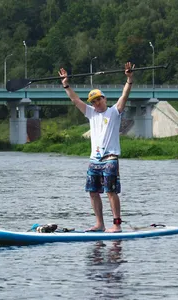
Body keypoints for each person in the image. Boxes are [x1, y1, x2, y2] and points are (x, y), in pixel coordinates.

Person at [58, 62, 135, 233]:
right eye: (93, 101)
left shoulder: (114, 112)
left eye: (99, 99)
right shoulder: (90, 113)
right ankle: (99, 224)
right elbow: (74, 99)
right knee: (93, 192)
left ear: (104, 99)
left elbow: (124, 96)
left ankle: (116, 224)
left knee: (110, 191)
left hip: (110, 158)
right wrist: (66, 84)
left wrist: (129, 79)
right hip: (94, 159)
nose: (97, 103)